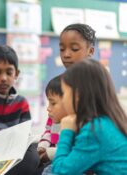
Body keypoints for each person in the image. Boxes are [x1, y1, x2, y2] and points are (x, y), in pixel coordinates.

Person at [52, 59, 127, 174]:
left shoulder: (95, 130)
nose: (63, 100)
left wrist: (66, 131)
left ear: (77, 94)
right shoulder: (111, 121)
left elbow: (60, 171)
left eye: (64, 92)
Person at [38, 23, 96, 168]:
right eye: (62, 49)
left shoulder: (96, 88)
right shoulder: (59, 84)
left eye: (74, 49)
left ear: (90, 51)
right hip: (57, 156)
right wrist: (43, 146)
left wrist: (51, 153)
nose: (66, 54)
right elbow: (50, 124)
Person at [0, 45, 40, 175]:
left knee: (33, 155)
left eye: (9, 72)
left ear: (16, 74)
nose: (3, 78)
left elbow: (25, 135)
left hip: (14, 154)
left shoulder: (21, 103)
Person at [37, 75, 66, 166]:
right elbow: (49, 133)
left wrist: (50, 153)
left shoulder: (79, 126)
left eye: (53, 103)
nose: (48, 108)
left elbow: (72, 151)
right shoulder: (55, 121)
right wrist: (43, 145)